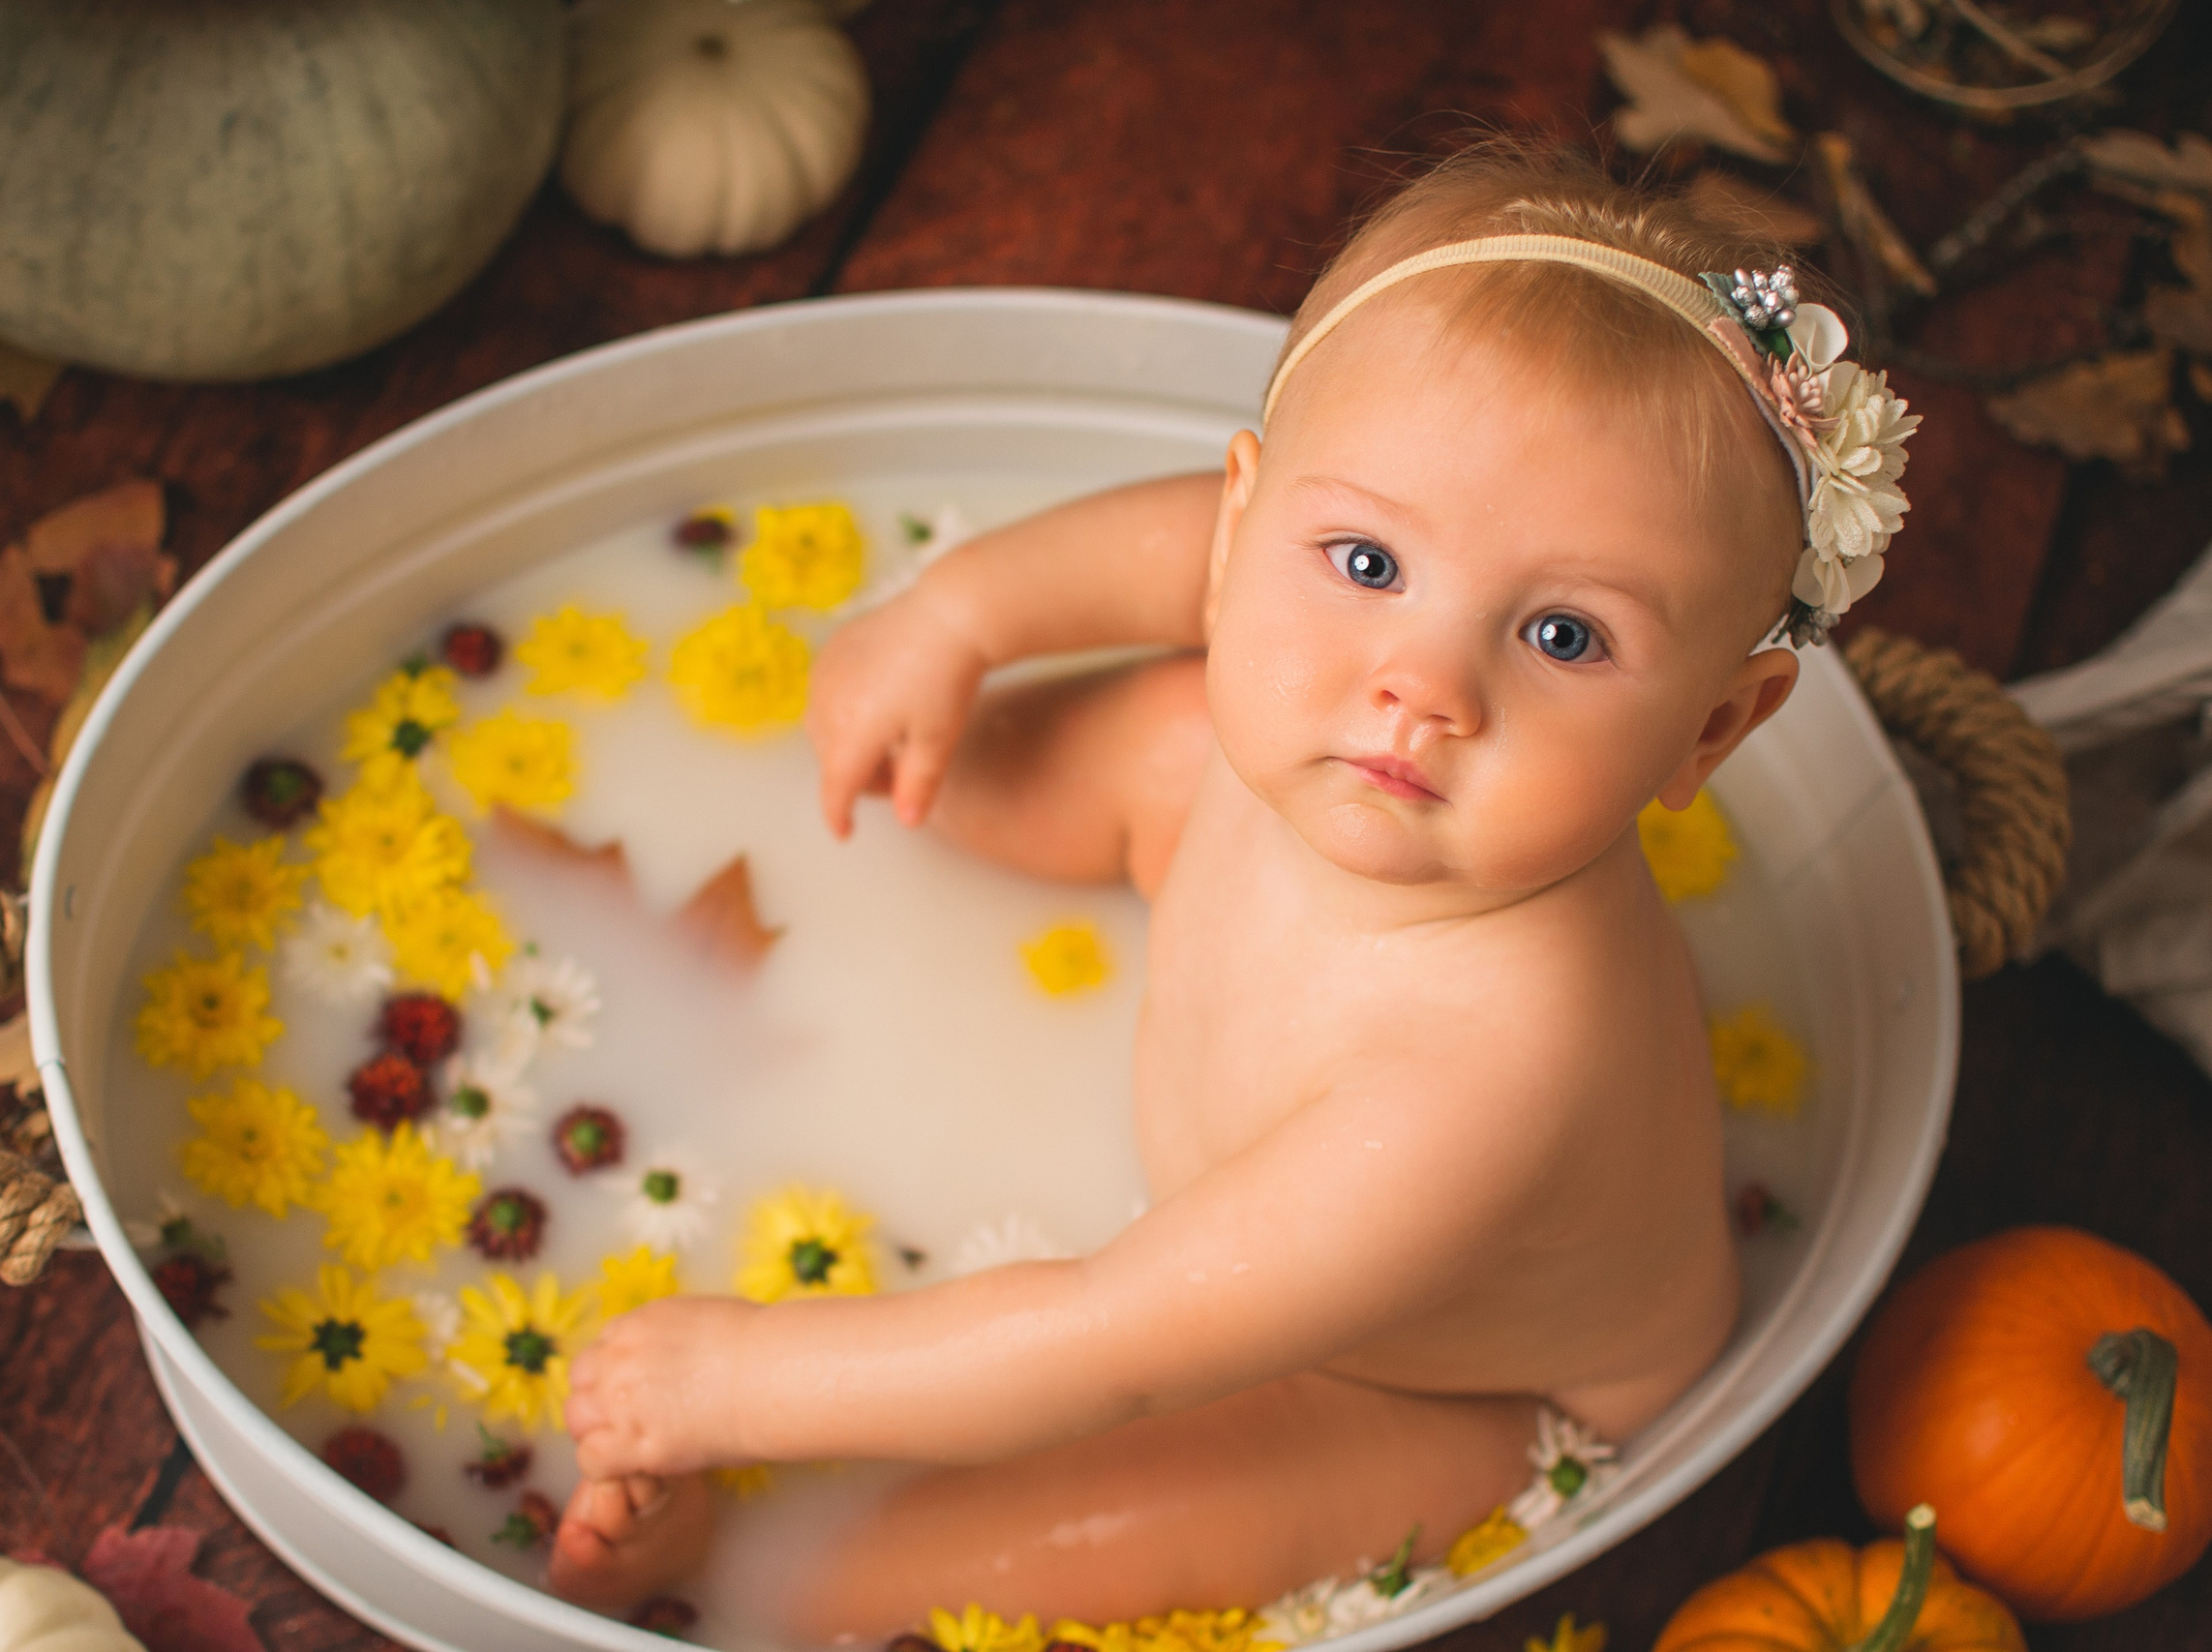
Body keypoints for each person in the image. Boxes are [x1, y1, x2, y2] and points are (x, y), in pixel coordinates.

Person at [545, 140, 1919, 1640]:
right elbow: (1170, 553)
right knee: (1123, 731)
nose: (1420, 687)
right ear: (1248, 520)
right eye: (1368, 559)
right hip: (1261, 1013)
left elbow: (1107, 1342)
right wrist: (954, 615)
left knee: (1026, 1535)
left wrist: (739, 1377)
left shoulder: (1487, 1072)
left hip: (1437, 1377)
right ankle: (934, 751)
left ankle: (716, 1575)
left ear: (1713, 728)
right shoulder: (1329, 703)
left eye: (1566, 639)